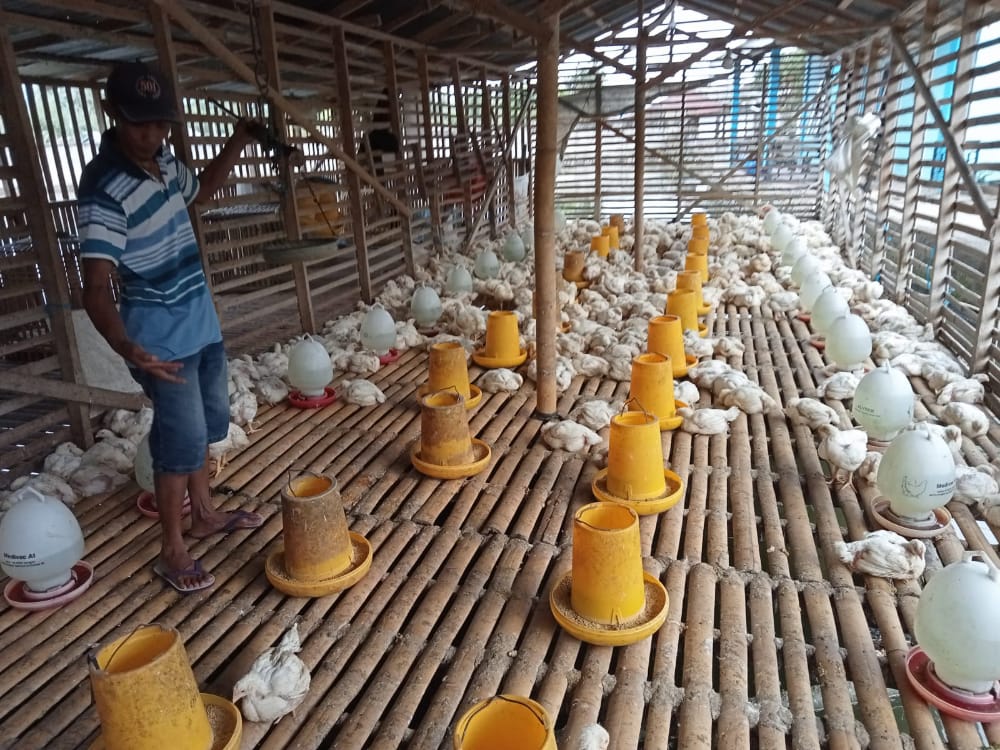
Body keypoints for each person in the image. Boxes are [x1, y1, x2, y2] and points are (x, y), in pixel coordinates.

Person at [78, 60, 263, 593]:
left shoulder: (163, 160)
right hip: (159, 343)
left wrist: (239, 140)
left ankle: (204, 513)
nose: (152, 135)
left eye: (161, 124)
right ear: (112, 114)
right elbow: (95, 287)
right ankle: (172, 548)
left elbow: (199, 191)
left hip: (200, 324)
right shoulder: (104, 188)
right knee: (178, 441)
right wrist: (127, 347)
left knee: (209, 426)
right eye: (140, 124)